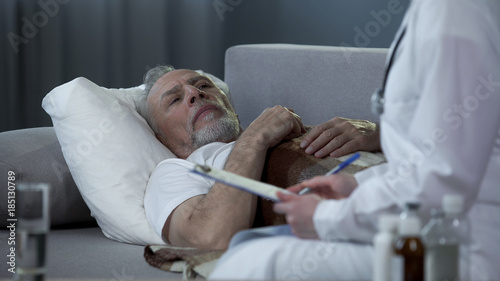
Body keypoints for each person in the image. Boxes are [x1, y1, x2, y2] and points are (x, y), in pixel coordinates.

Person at [209, 0, 500, 279]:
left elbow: (442, 179)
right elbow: (431, 162)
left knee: (251, 266)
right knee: (247, 251)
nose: (195, 95)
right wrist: (357, 187)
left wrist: (325, 218)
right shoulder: (441, 11)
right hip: (425, 231)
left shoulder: (453, 14)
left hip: (457, 252)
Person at [139, 66, 379, 250]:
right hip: (375, 221)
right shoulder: (175, 171)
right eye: (175, 99)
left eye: (203, 84)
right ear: (161, 139)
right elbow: (210, 239)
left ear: (233, 111)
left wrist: (380, 134)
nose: (195, 93)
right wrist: (254, 138)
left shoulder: (284, 129)